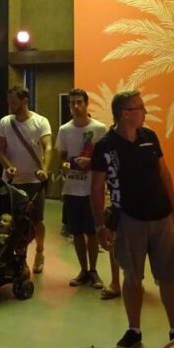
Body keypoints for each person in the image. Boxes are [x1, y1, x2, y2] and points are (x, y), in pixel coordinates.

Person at [91, 89, 174, 348]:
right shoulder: (105, 146)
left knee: (169, 276)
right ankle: (134, 330)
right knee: (132, 277)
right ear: (125, 114)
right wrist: (99, 225)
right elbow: (96, 187)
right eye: (140, 108)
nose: (145, 112)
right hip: (129, 221)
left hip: (161, 218)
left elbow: (164, 174)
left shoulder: (149, 137)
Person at [55, 88, 107, 291]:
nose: (75, 106)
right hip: (71, 189)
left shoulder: (99, 129)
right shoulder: (64, 130)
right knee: (76, 232)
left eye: (79, 102)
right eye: (72, 103)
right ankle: (83, 270)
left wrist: (91, 162)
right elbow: (62, 157)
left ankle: (93, 270)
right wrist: (65, 166)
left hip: (92, 189)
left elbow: (105, 159)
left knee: (92, 233)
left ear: (86, 104)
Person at [0, 85, 51, 274]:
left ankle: (40, 251)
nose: (10, 106)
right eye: (9, 102)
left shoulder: (41, 122)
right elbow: (0, 151)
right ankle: (21, 258)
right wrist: (8, 166)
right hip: (12, 181)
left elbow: (48, 147)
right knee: (14, 222)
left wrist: (44, 170)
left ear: (25, 101)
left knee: (36, 221)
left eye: (14, 102)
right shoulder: (5, 122)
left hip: (34, 181)